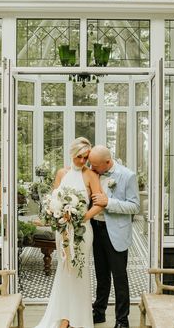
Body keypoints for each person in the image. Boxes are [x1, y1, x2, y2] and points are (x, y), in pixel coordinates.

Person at [35, 137, 103, 328]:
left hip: (82, 232)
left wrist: (82, 218)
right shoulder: (61, 173)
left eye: (86, 157)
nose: (82, 161)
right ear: (72, 154)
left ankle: (77, 318)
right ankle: (64, 316)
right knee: (65, 271)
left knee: (79, 272)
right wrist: (56, 215)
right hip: (63, 231)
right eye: (79, 157)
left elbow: (99, 204)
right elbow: (53, 201)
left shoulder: (91, 175)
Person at [88, 145, 140, 328]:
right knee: (101, 275)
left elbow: (134, 206)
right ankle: (99, 312)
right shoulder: (92, 173)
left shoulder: (127, 175)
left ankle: (122, 320)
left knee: (119, 278)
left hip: (116, 233)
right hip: (96, 229)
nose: (91, 167)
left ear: (107, 162)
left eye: (94, 164)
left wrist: (108, 202)